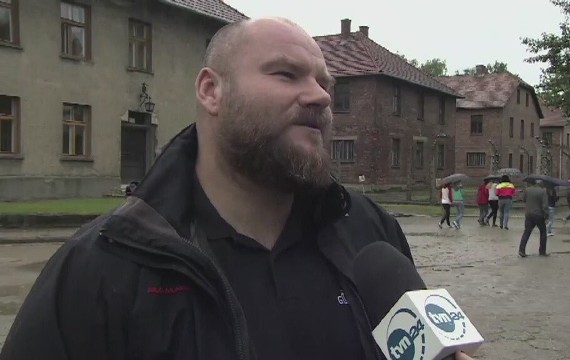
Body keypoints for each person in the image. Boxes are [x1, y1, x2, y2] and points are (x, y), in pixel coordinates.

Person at [0, 18, 474, 360]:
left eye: (324, 82)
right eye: (286, 74)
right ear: (211, 90)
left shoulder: (372, 235)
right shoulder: (105, 265)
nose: (321, 96)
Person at [518, 180, 549, 257]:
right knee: (543, 232)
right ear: (541, 184)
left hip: (528, 214)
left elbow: (523, 199)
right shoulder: (543, 191)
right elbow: (545, 205)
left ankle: (521, 250)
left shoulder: (528, 190)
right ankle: (542, 251)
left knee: (527, 232)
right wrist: (546, 215)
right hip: (539, 215)